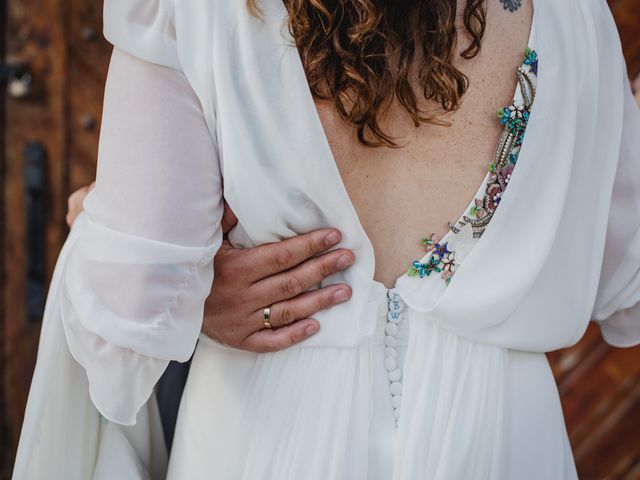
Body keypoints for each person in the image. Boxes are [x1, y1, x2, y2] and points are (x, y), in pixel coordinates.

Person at [13, 0, 640, 479]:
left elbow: (128, 316)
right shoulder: (574, 17)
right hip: (503, 444)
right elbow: (625, 282)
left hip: (264, 438)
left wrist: (93, 228)